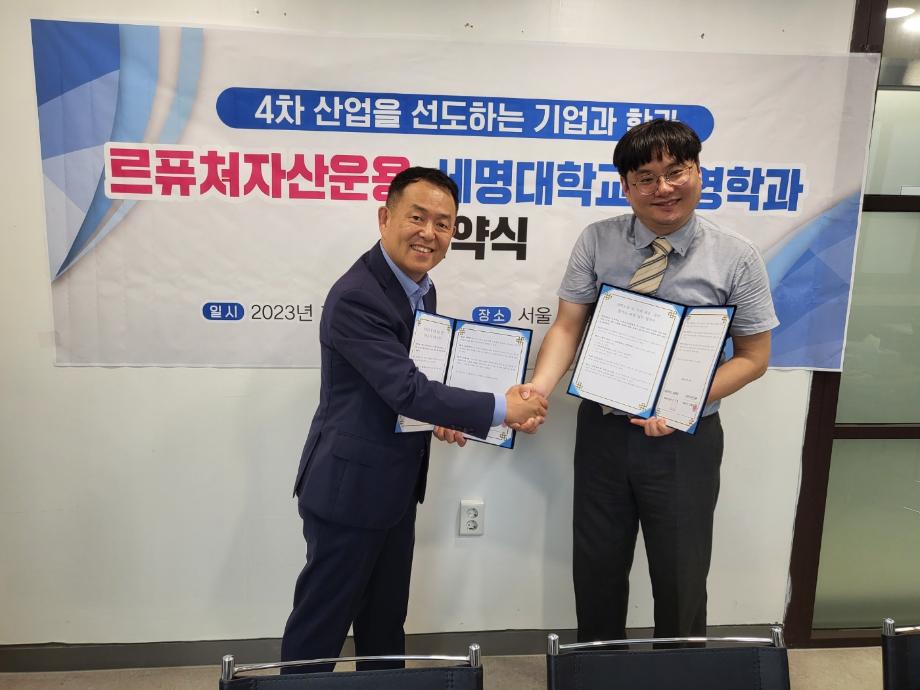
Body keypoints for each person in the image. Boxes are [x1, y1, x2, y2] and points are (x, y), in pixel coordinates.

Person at [517, 119, 778, 642]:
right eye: (646, 178)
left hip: (684, 440)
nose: (663, 188)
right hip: (604, 431)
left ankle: (678, 674)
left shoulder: (736, 256)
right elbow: (568, 325)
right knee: (596, 566)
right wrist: (538, 390)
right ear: (626, 185)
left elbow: (754, 357)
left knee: (681, 575)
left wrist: (682, 403)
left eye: (675, 172)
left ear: (697, 173)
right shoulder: (598, 241)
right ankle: (597, 671)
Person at [281, 166, 548, 669]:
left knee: (385, 622)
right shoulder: (358, 295)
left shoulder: (420, 288)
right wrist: (500, 408)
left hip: (394, 484)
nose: (429, 233)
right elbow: (407, 390)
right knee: (321, 626)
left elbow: (415, 384)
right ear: (385, 218)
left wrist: (444, 417)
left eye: (443, 223)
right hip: (349, 488)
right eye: (417, 217)